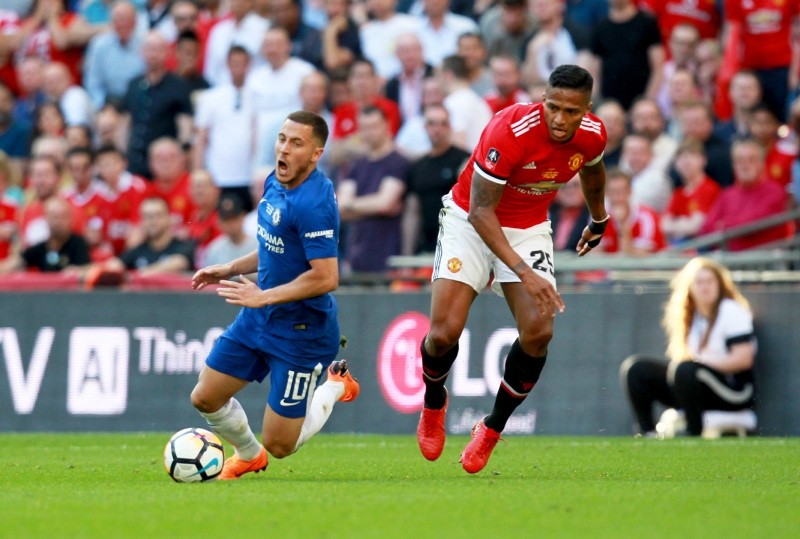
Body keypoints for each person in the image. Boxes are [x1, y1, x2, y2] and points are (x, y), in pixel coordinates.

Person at [416, 65, 610, 474]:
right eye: (552, 107)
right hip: (470, 220)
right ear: (543, 100)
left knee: (539, 332)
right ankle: (434, 400)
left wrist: (598, 218)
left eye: (571, 111)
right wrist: (524, 272)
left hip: (527, 226)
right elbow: (481, 212)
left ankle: (491, 428)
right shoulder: (510, 130)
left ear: (587, 109)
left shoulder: (594, 134)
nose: (559, 119)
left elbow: (593, 171)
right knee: (443, 334)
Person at [189, 111, 360, 480]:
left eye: (296, 143)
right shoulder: (274, 180)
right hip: (260, 315)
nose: (284, 148)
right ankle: (249, 455)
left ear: (316, 154)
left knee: (280, 445)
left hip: (301, 331)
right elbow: (274, 245)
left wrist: (263, 297)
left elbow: (326, 277)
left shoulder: (313, 204)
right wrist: (230, 268)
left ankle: (334, 385)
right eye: (282, 139)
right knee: (205, 397)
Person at [620, 257, 756, 437]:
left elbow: (744, 359)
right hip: (695, 386)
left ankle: (693, 433)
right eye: (699, 282)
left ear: (720, 284)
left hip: (733, 392)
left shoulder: (730, 310)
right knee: (637, 369)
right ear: (689, 287)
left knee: (685, 369)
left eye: (710, 281)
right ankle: (647, 435)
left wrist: (701, 363)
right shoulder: (691, 316)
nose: (705, 287)